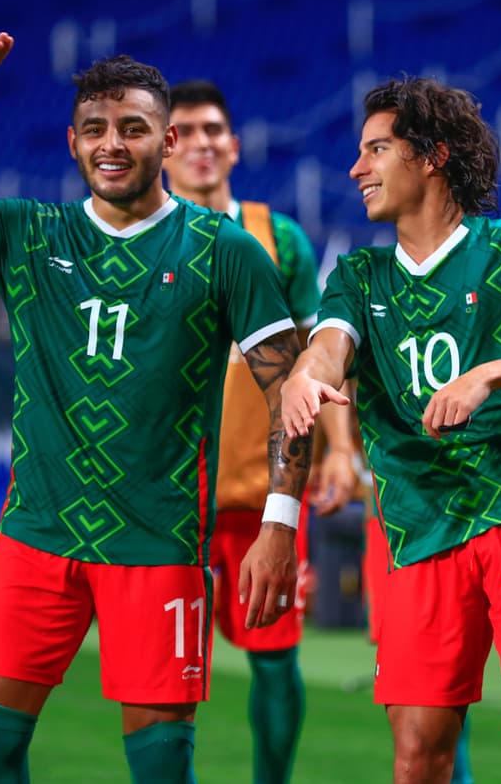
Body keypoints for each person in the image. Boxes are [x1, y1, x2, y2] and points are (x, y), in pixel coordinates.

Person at [0, 33, 311, 784]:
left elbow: (290, 396)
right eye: (97, 129)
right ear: (73, 141)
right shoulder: (27, 233)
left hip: (160, 544)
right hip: (37, 534)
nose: (114, 144)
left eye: (133, 128)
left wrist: (279, 526)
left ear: (167, 141)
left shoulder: (226, 250)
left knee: (163, 763)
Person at [283, 76, 501, 784]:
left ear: (431, 156)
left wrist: (489, 373)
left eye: (376, 149)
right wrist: (307, 373)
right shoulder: (358, 275)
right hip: (419, 527)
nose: (357, 168)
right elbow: (330, 346)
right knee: (420, 753)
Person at [163, 79, 358, 784]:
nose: (202, 142)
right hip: (170, 502)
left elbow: (322, 354)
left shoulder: (280, 239)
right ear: (162, 147)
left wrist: (342, 450)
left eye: (214, 129)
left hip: (265, 494)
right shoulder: (146, 238)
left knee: (276, 658)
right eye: (183, 130)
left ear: (235, 146)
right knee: (166, 670)